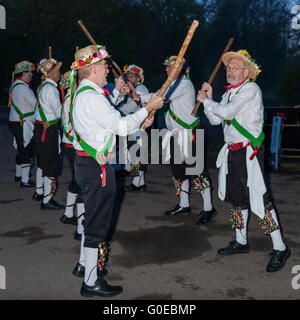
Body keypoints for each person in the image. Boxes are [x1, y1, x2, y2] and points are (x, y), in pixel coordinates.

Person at [70, 44, 164, 297]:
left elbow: (110, 122)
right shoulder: (91, 96)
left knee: (92, 217)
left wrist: (140, 120)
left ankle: (84, 266)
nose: (106, 70)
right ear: (91, 69)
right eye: (102, 65)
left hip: (89, 162)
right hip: (96, 166)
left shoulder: (87, 94)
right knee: (97, 223)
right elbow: (120, 126)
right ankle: (91, 281)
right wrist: (148, 107)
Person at [197, 49, 291, 272]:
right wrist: (208, 101)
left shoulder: (250, 89)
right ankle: (240, 241)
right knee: (237, 200)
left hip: (249, 152)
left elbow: (227, 113)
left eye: (235, 67)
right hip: (232, 152)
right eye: (229, 67)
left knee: (261, 200)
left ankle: (280, 247)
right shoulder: (230, 93)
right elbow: (215, 119)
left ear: (247, 72)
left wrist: (207, 102)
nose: (229, 70)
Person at [162, 56, 216, 224]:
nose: (166, 70)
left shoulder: (183, 84)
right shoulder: (173, 84)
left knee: (198, 172)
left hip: (190, 133)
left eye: (169, 67)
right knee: (179, 172)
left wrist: (140, 98)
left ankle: (208, 208)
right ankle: (183, 204)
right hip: (175, 134)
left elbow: (161, 96)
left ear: (179, 69)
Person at [33, 58, 65, 210]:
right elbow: (59, 113)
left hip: (41, 129)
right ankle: (47, 199)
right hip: (48, 131)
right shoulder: (51, 89)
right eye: (57, 71)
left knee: (44, 162)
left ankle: (40, 192)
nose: (59, 73)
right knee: (51, 166)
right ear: (52, 74)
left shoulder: (42, 87)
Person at [117, 64, 150, 192]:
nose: (128, 77)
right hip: (131, 124)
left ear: (138, 78)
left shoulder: (141, 89)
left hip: (138, 126)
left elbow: (131, 107)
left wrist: (116, 111)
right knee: (134, 154)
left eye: (131, 76)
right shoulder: (130, 89)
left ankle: (137, 183)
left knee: (136, 155)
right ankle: (140, 182)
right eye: (127, 75)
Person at [8, 61, 36, 187]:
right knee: (26, 150)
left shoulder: (14, 86)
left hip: (15, 122)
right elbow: (36, 106)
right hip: (23, 123)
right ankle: (25, 180)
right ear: (24, 73)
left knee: (20, 149)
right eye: (30, 72)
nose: (31, 74)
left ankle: (19, 175)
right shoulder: (24, 89)